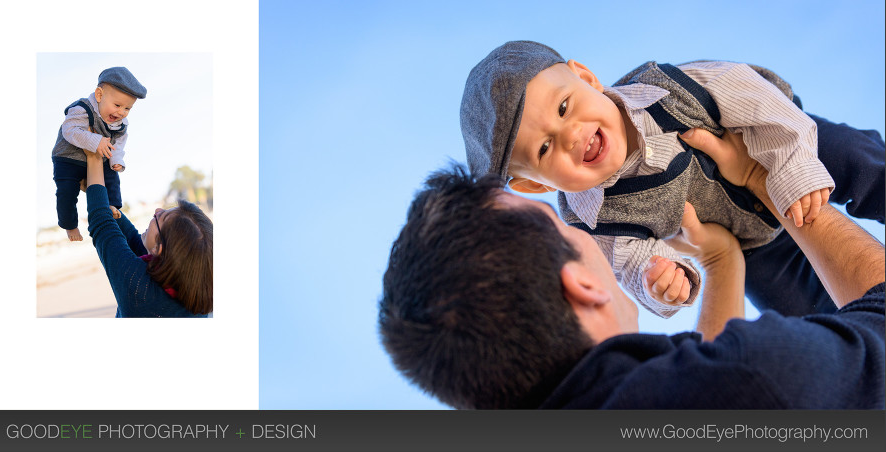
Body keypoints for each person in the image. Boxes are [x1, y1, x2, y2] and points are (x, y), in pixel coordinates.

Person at [379, 129, 884, 409]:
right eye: (561, 224)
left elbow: (694, 379)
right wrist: (765, 179)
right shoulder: (750, 380)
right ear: (580, 283)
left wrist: (720, 262)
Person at [460, 41, 885, 318]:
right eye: (544, 149)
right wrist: (661, 278)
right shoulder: (597, 223)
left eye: (564, 106)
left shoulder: (666, 87)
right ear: (537, 186)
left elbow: (754, 96)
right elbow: (631, 262)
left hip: (773, 141)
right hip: (753, 247)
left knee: (858, 162)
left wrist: (791, 167)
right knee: (809, 313)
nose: (571, 135)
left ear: (588, 78)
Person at [82, 140, 213, 318]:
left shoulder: (138, 290)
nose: (157, 211)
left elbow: (101, 224)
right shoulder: (195, 285)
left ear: (160, 249)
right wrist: (98, 191)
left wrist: (93, 154)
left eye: (160, 218)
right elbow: (133, 242)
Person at [52, 67, 145, 242]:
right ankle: (69, 224)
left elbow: (118, 143)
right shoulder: (82, 108)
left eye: (127, 108)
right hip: (68, 158)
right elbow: (69, 130)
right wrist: (95, 140)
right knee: (66, 192)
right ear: (99, 95)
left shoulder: (120, 123)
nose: (120, 112)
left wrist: (116, 159)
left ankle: (112, 206)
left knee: (112, 178)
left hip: (100, 157)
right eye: (117, 105)